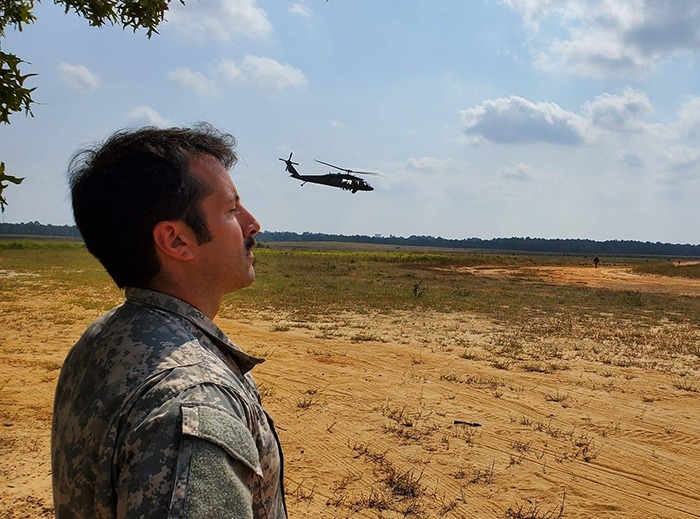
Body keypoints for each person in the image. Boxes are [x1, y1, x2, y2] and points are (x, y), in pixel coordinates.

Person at [51, 124, 287, 518]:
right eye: (231, 209)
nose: (252, 224)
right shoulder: (194, 403)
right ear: (176, 241)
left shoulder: (106, 335)